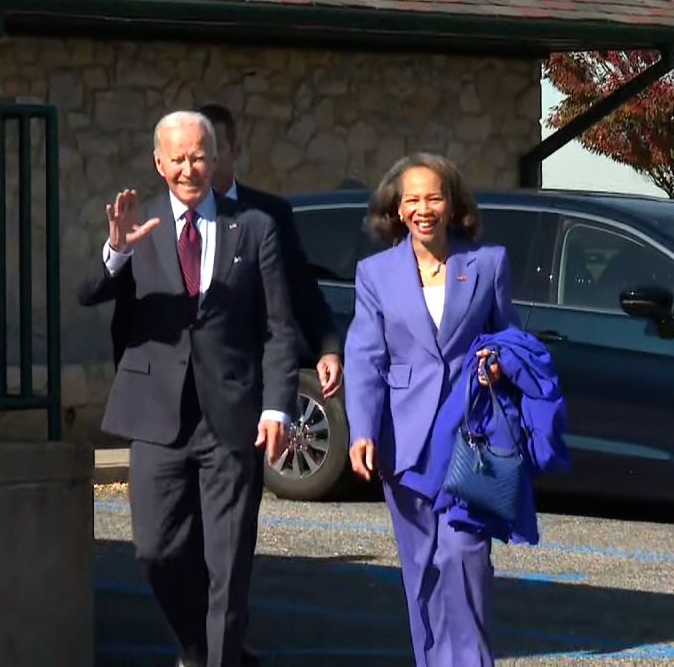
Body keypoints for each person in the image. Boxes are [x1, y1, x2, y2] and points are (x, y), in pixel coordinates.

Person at [78, 110, 298, 667]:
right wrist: (118, 251)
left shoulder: (252, 227)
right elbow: (88, 291)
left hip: (231, 419)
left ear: (217, 157)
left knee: (227, 564)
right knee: (155, 551)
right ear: (158, 163)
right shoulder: (138, 226)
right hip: (156, 418)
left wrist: (277, 408)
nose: (189, 168)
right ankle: (200, 653)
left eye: (199, 156)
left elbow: (277, 328)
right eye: (177, 158)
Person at [343, 153, 514, 667]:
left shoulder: (487, 264)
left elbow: (511, 339)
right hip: (406, 441)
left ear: (453, 204)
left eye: (434, 197)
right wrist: (362, 430)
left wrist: (499, 364)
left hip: (472, 439)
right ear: (396, 209)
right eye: (412, 199)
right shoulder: (375, 273)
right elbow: (365, 356)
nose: (423, 208)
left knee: (464, 556)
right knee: (422, 567)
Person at [195, 103, 342, 398]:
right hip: (190, 379)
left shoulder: (270, 214)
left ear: (235, 150)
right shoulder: (171, 219)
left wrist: (327, 349)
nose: (206, 162)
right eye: (198, 153)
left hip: (251, 379)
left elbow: (301, 290)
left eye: (215, 150)